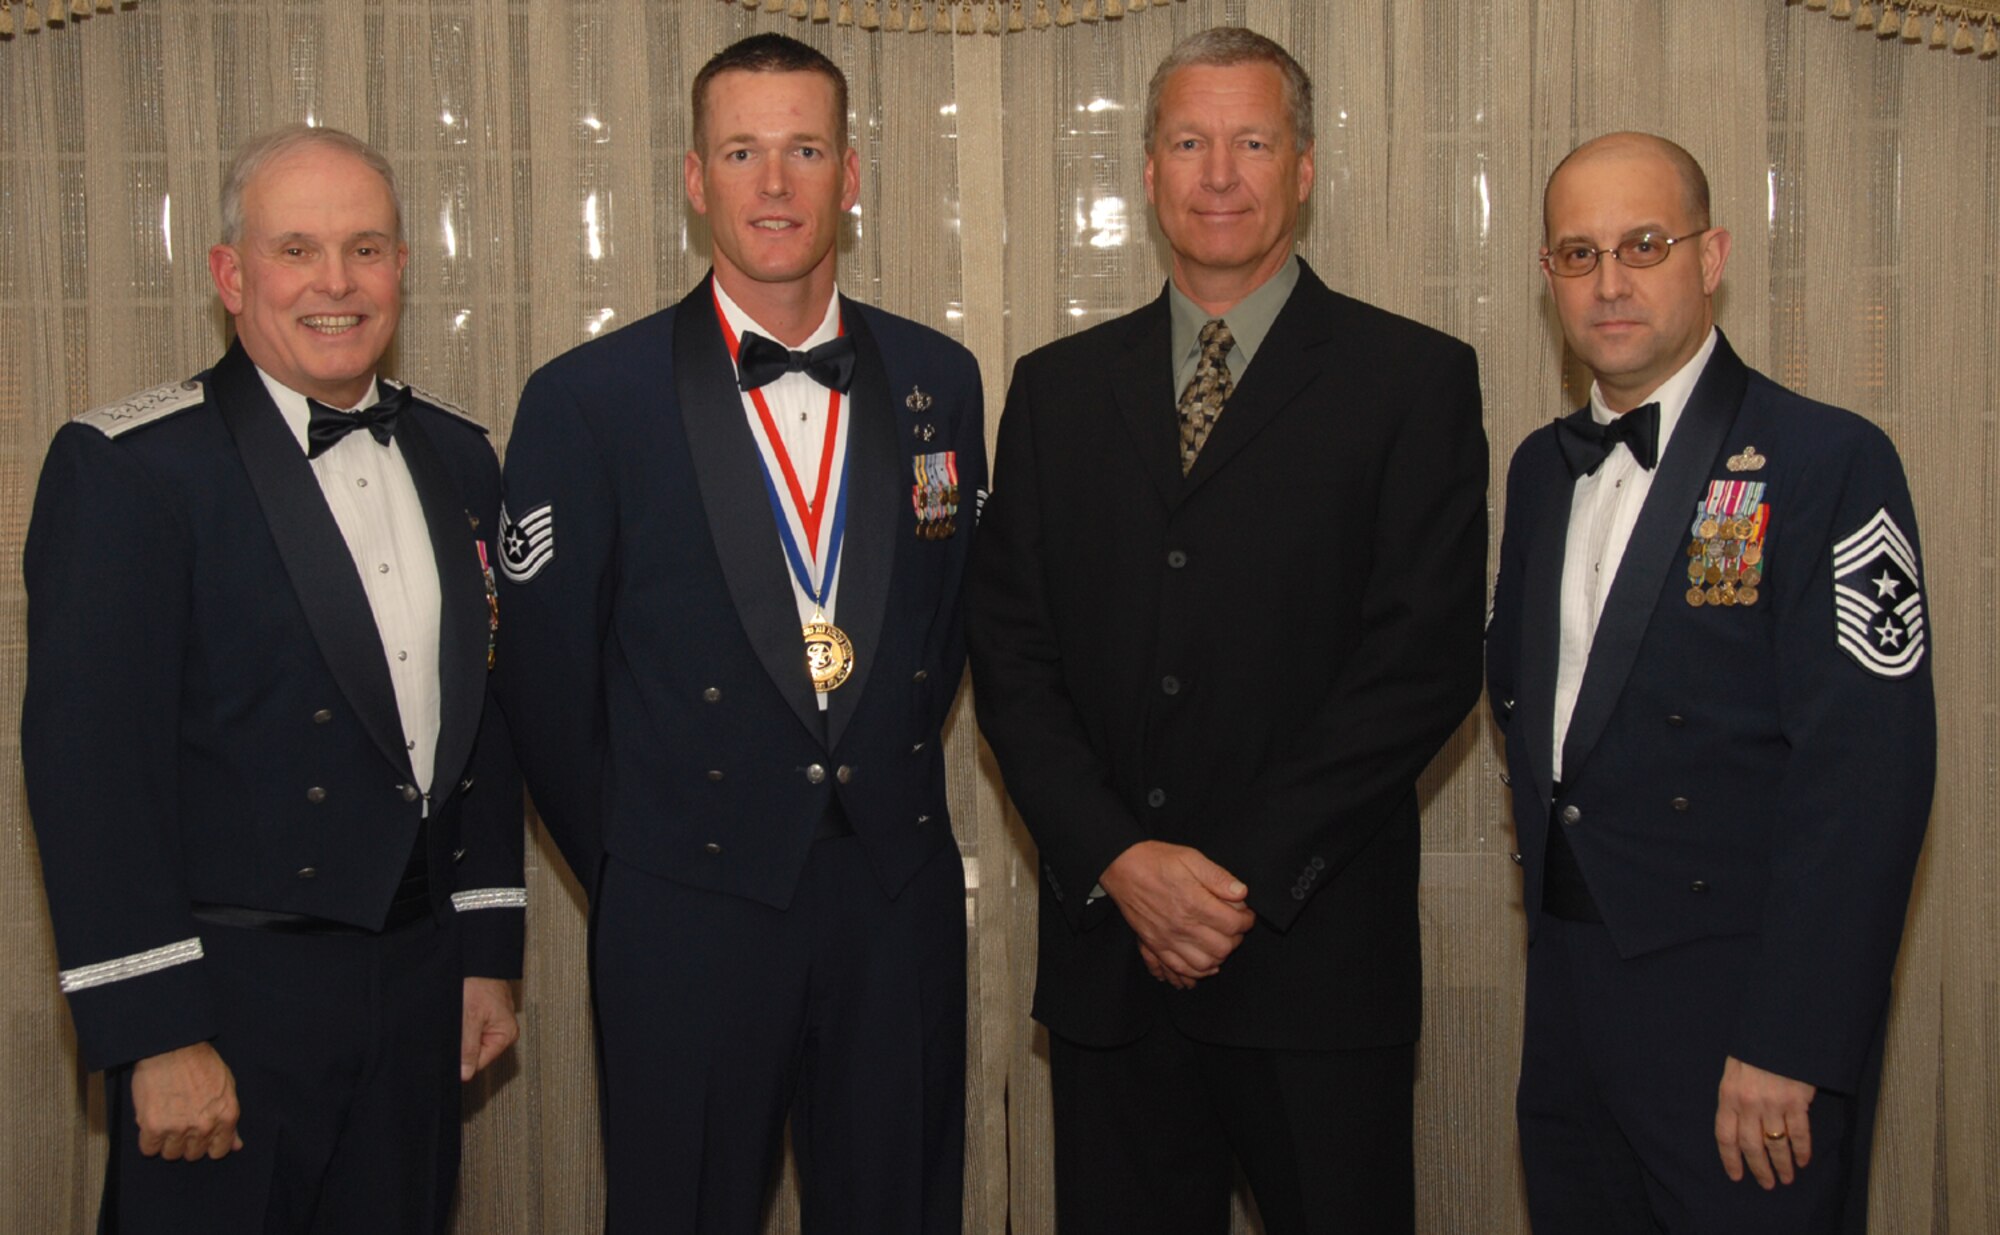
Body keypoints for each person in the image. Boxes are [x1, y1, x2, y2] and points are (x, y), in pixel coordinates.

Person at [966, 26, 1487, 1235]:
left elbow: (1419, 664)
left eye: (1251, 141)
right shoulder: (1053, 390)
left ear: (1302, 168)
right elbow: (1010, 658)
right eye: (1189, 142)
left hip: (1315, 965)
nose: (1218, 174)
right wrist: (1120, 861)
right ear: (1145, 172)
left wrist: (1223, 882)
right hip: (1110, 969)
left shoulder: (1410, 379)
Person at [494, 32, 985, 1234]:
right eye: (743, 151)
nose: (775, 184)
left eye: (805, 149)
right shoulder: (585, 399)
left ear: (852, 176)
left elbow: (950, 622)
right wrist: (648, 859)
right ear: (692, 177)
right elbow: (548, 691)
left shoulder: (941, 376)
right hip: (686, 903)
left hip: (892, 892)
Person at [22, 123, 525, 1234]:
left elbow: (484, 724)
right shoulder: (131, 470)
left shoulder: (458, 455)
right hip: (227, 999)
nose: (334, 283)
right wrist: (155, 1029)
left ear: (402, 265)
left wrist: (485, 953)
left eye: (365, 247)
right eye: (295, 249)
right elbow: (90, 773)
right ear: (229, 273)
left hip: (414, 984)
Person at [1485, 131, 1935, 1234]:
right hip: (1573, 1003)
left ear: (1711, 253)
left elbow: (1866, 778)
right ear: (1548, 276)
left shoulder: (1823, 460)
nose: (1610, 281)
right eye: (1578, 253)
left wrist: (1789, 1039)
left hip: (1743, 1017)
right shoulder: (1541, 471)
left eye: (1642, 243)